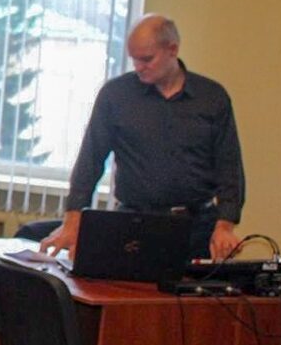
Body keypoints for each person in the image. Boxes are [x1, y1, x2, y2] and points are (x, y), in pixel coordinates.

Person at [41, 14, 245, 261]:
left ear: (172, 50)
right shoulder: (116, 95)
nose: (138, 67)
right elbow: (91, 159)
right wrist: (73, 218)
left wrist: (225, 226)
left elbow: (229, 167)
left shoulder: (211, 98)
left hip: (196, 226)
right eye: (134, 59)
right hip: (133, 222)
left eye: (147, 59)